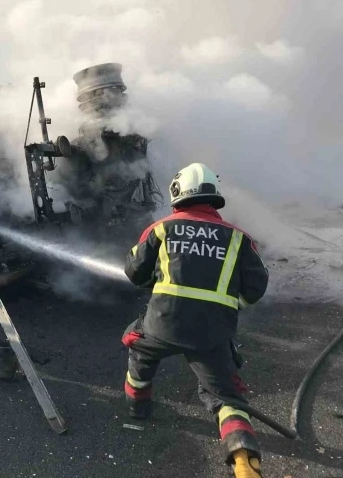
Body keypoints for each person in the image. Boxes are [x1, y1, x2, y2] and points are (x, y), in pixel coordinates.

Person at [122, 162, 269, 478]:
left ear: (177, 194)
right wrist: (229, 305)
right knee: (226, 397)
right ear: (213, 197)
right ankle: (245, 464)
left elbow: (134, 272)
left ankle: (138, 407)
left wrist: (156, 283)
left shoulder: (161, 229)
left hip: (161, 326)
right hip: (212, 333)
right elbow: (257, 287)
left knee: (138, 348)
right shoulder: (239, 239)